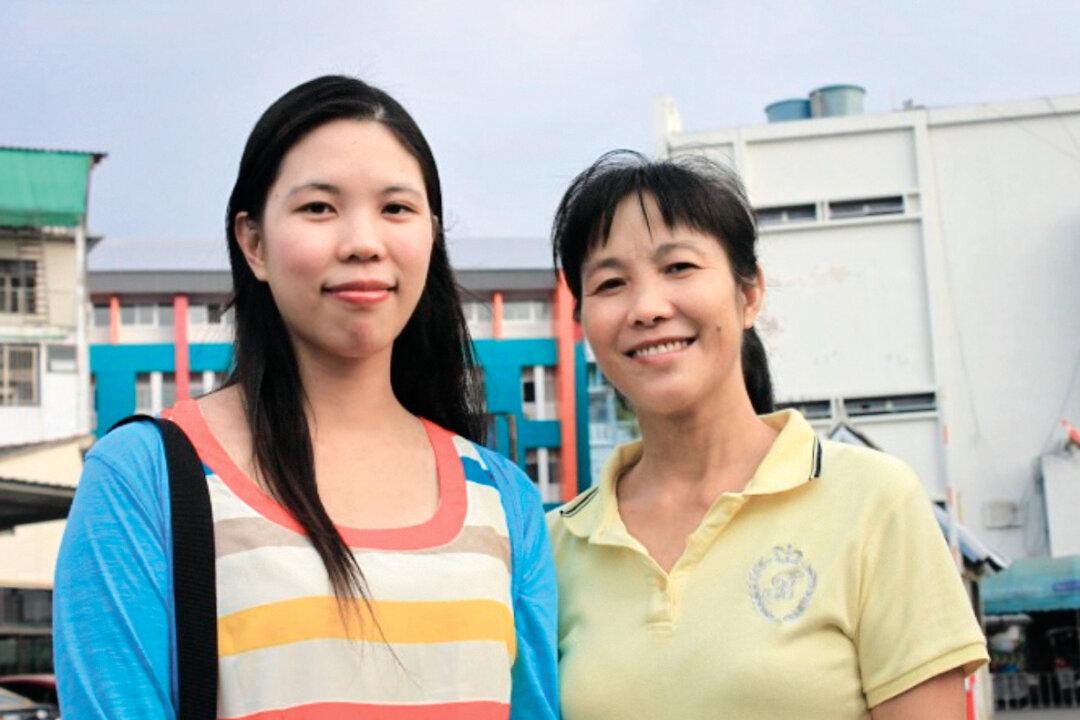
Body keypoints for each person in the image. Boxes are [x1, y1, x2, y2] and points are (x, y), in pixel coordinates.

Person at [54, 75, 557, 720]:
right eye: (319, 208)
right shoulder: (142, 479)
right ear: (253, 243)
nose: (363, 242)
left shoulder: (504, 499)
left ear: (431, 236)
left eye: (396, 209)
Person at [548, 151, 987, 720]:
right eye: (611, 283)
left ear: (749, 294)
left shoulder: (874, 498)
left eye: (678, 267)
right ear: (584, 322)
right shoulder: (554, 545)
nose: (647, 308)